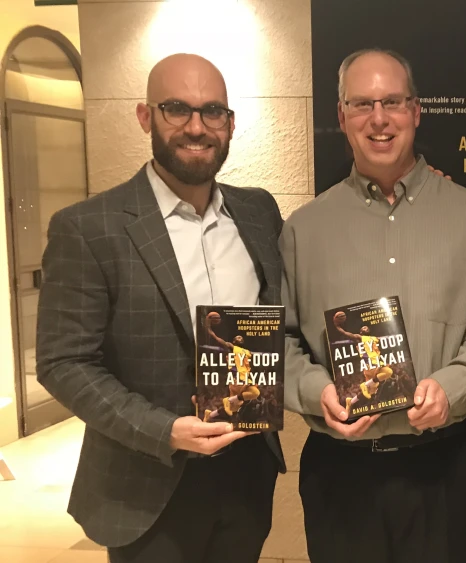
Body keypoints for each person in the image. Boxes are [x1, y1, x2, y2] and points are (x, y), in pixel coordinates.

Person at [35, 54, 285, 563]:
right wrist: (164, 431)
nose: (196, 127)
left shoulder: (259, 211)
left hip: (245, 474)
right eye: (177, 109)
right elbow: (63, 363)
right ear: (145, 116)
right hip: (145, 483)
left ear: (230, 124)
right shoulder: (88, 226)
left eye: (212, 111)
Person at [281, 48, 466, 563]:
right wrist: (315, 389)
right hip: (339, 475)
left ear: (416, 111)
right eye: (362, 103)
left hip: (445, 470)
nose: (379, 118)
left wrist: (453, 386)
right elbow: (279, 340)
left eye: (392, 101)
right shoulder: (303, 229)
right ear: (340, 115)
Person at [202, 315, 260, 421]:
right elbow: (217, 339)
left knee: (235, 407)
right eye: (237, 337)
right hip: (237, 377)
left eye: (241, 337)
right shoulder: (232, 348)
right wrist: (209, 328)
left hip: (243, 377)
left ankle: (209, 415)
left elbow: (250, 366)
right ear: (233, 341)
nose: (240, 338)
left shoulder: (247, 352)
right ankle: (228, 400)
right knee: (253, 394)